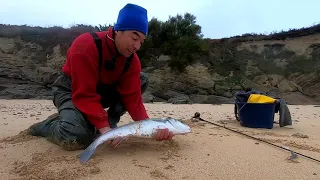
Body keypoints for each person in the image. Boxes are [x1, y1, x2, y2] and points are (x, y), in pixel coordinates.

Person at [27, 3, 174, 151]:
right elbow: (84, 94)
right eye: (134, 37)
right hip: (70, 90)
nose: (137, 46)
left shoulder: (132, 61)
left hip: (101, 90)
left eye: (141, 41)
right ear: (118, 30)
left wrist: (151, 127)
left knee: (141, 79)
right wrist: (104, 127)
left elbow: (133, 100)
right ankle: (49, 125)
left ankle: (106, 123)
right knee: (76, 137)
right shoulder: (85, 46)